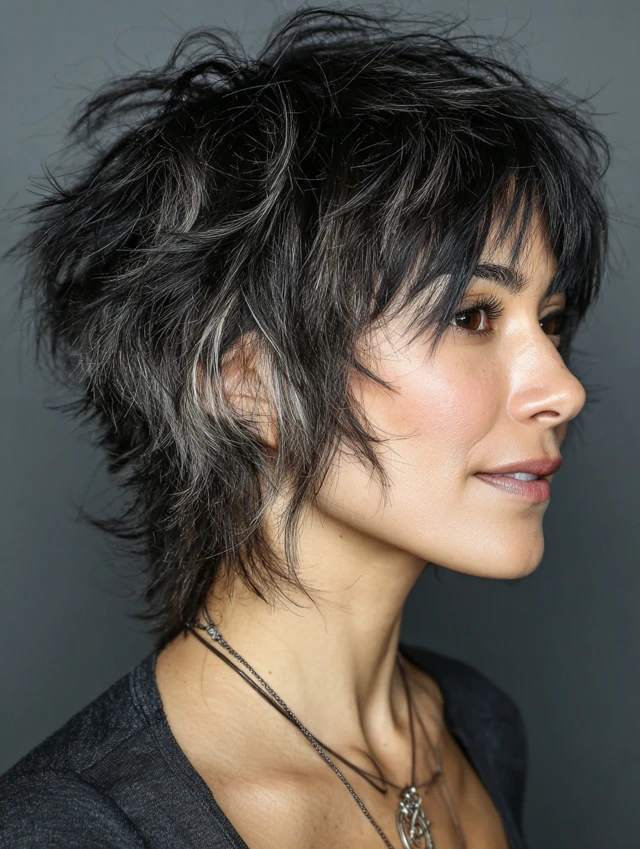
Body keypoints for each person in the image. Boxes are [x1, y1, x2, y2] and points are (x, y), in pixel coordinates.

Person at [0, 7, 610, 849]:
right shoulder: (80, 829)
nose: (564, 390)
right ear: (251, 385)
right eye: (471, 315)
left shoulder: (476, 725)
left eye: (550, 321)